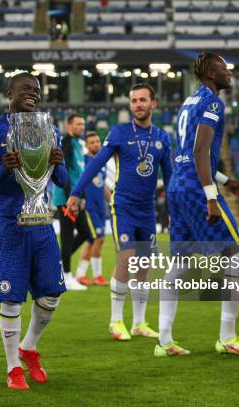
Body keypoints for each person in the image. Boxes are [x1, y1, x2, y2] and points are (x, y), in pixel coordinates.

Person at [159, 51, 239, 358]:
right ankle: (227, 337)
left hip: (177, 186)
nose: (229, 73)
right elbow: (201, 150)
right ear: (212, 74)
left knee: (179, 264)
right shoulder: (214, 102)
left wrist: (225, 179)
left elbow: (190, 152)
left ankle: (163, 341)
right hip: (193, 188)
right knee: (237, 258)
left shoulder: (189, 102)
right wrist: (212, 194)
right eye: (225, 69)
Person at [0, 72, 68, 390]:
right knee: (11, 300)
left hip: (42, 222)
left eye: (37, 90)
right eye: (26, 88)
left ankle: (29, 346)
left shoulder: (49, 127)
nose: (33, 93)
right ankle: (13, 367)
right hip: (8, 224)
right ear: (9, 92)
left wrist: (59, 163)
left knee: (51, 295)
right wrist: (3, 168)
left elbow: (63, 180)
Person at [67, 83, 173, 342]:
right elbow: (95, 165)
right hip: (123, 206)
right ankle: (116, 320)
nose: (137, 104)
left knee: (144, 266)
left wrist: (172, 209)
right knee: (126, 259)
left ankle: (139, 322)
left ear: (153, 104)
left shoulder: (162, 137)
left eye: (142, 100)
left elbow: (170, 178)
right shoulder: (119, 132)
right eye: (134, 100)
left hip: (147, 209)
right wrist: (76, 192)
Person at [52, 114, 90, 291]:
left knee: (84, 233)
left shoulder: (76, 144)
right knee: (68, 237)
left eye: (82, 123)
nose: (81, 126)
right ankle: (65, 277)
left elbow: (78, 174)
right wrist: (70, 199)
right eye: (77, 124)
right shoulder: (66, 143)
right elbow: (64, 172)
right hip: (66, 198)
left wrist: (80, 197)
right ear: (69, 126)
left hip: (74, 198)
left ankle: (58, 265)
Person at [74, 131, 109, 286]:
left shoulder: (101, 162)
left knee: (92, 241)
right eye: (92, 142)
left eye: (97, 141)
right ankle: (97, 276)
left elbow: (102, 185)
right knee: (98, 238)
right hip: (89, 207)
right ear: (87, 146)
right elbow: (78, 181)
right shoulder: (84, 161)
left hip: (101, 207)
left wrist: (113, 200)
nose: (96, 144)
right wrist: (79, 199)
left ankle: (80, 275)